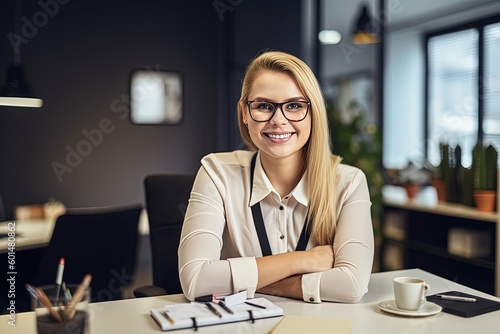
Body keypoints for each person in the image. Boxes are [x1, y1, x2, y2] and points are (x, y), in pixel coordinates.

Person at [178, 50, 374, 304]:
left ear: (313, 113)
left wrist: (252, 281)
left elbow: (351, 286)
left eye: (294, 106)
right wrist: (304, 260)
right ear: (245, 113)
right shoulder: (217, 173)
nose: (278, 120)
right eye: (263, 106)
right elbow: (195, 280)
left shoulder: (348, 183)